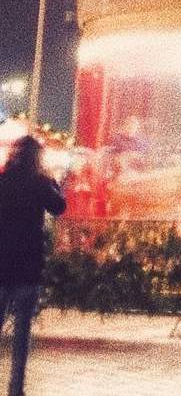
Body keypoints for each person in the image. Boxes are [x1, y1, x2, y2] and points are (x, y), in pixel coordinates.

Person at [0, 135, 66, 396]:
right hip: (28, 265)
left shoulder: (4, 181)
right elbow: (59, 206)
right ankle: (16, 387)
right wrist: (53, 180)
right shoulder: (39, 183)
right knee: (22, 333)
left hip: (2, 263)